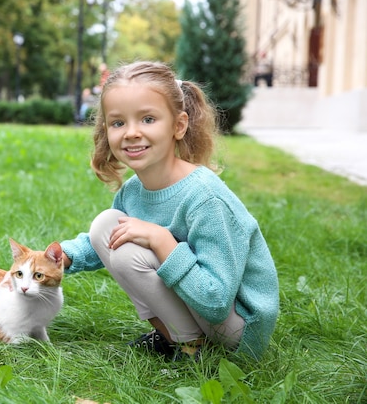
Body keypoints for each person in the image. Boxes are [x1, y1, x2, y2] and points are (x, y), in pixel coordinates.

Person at [60, 61, 279, 361]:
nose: (131, 133)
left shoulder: (205, 197)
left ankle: (193, 346)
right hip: (201, 309)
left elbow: (216, 300)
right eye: (118, 123)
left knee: (126, 251)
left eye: (148, 119)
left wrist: (163, 242)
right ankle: (181, 341)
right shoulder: (133, 191)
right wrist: (66, 255)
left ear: (179, 125)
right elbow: (104, 242)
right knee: (106, 225)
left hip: (237, 327)